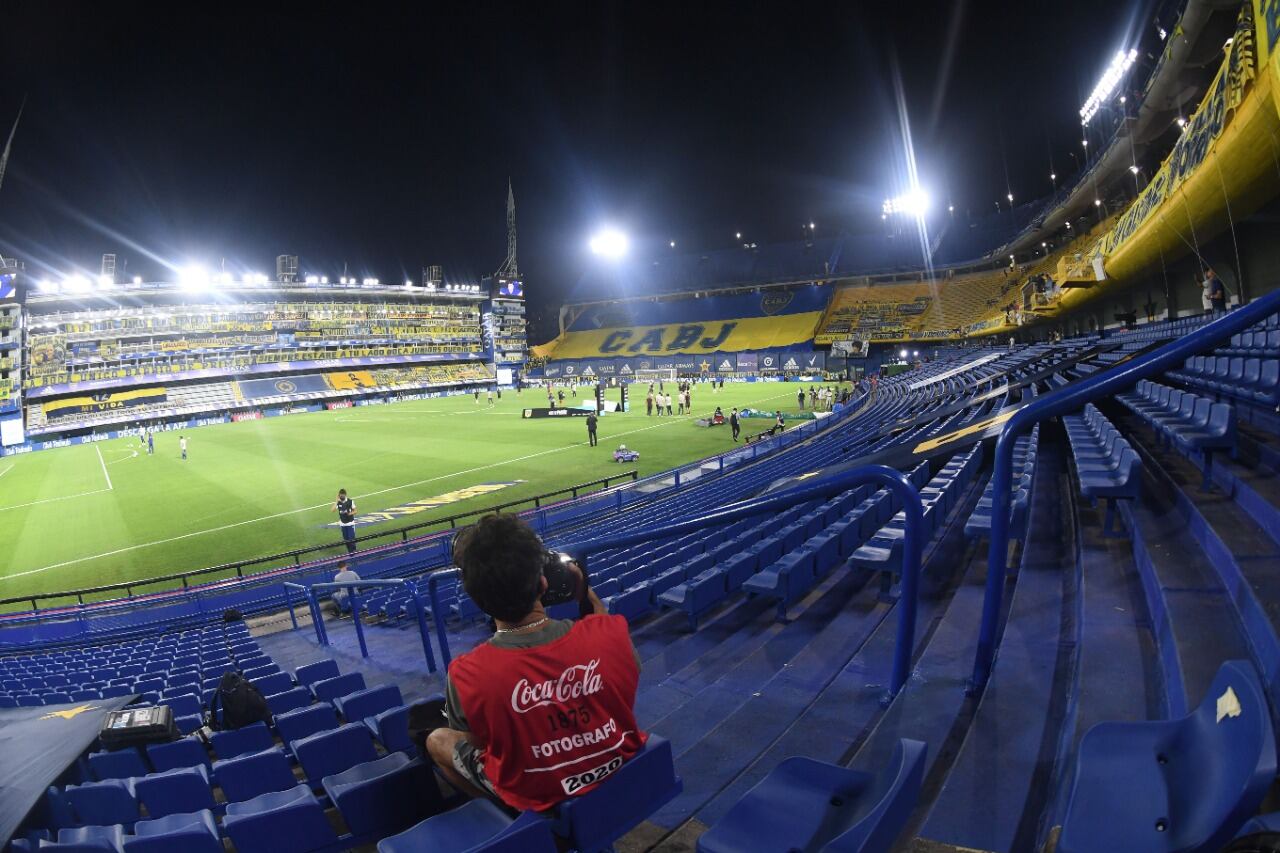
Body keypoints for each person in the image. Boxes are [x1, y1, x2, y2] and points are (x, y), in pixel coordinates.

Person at [427, 514, 645, 812]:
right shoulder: (609, 632)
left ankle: (508, 814)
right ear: (543, 583)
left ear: (476, 598)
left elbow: (478, 742)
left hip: (535, 794)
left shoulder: (466, 673)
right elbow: (627, 671)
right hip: (619, 765)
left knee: (437, 739)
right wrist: (584, 595)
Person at [333, 488, 358, 554]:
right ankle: (350, 552)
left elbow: (355, 511)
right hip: (343, 524)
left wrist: (350, 513)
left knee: (351, 539)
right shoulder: (338, 502)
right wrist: (336, 501)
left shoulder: (350, 501)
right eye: (340, 495)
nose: (341, 497)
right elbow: (332, 510)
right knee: (346, 540)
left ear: (345, 495)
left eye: (342, 495)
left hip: (350, 523)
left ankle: (354, 551)